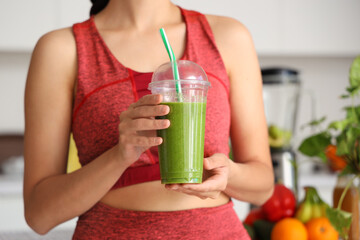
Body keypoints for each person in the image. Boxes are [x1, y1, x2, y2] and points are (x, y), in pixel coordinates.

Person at [23, 0, 274, 239]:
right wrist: (119, 155)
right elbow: (39, 215)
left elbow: (263, 188)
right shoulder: (61, 49)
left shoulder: (228, 37)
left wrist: (228, 173)